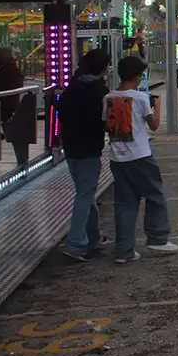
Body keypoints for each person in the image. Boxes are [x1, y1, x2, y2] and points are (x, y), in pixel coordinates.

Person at [104, 55, 178, 264]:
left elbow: (108, 125)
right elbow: (154, 125)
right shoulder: (139, 98)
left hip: (118, 158)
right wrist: (158, 104)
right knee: (156, 196)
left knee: (125, 204)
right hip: (140, 155)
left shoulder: (108, 97)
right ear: (138, 76)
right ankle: (157, 237)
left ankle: (124, 250)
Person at [58, 49, 111, 262]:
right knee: (84, 194)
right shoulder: (100, 91)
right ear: (103, 68)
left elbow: (60, 112)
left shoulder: (73, 87)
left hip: (71, 147)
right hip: (90, 148)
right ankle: (76, 243)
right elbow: (105, 120)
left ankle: (93, 236)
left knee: (85, 192)